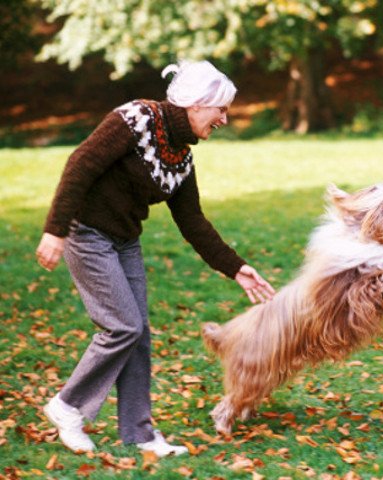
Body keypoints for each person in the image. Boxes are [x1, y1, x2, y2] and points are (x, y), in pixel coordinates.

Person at [36, 60, 276, 455]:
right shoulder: (135, 119)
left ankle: (140, 433)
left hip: (124, 241)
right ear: (198, 104)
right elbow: (81, 163)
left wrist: (237, 268)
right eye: (221, 109)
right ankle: (67, 405)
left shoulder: (181, 156)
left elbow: (193, 221)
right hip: (87, 233)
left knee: (139, 334)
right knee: (123, 327)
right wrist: (55, 229)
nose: (225, 119)